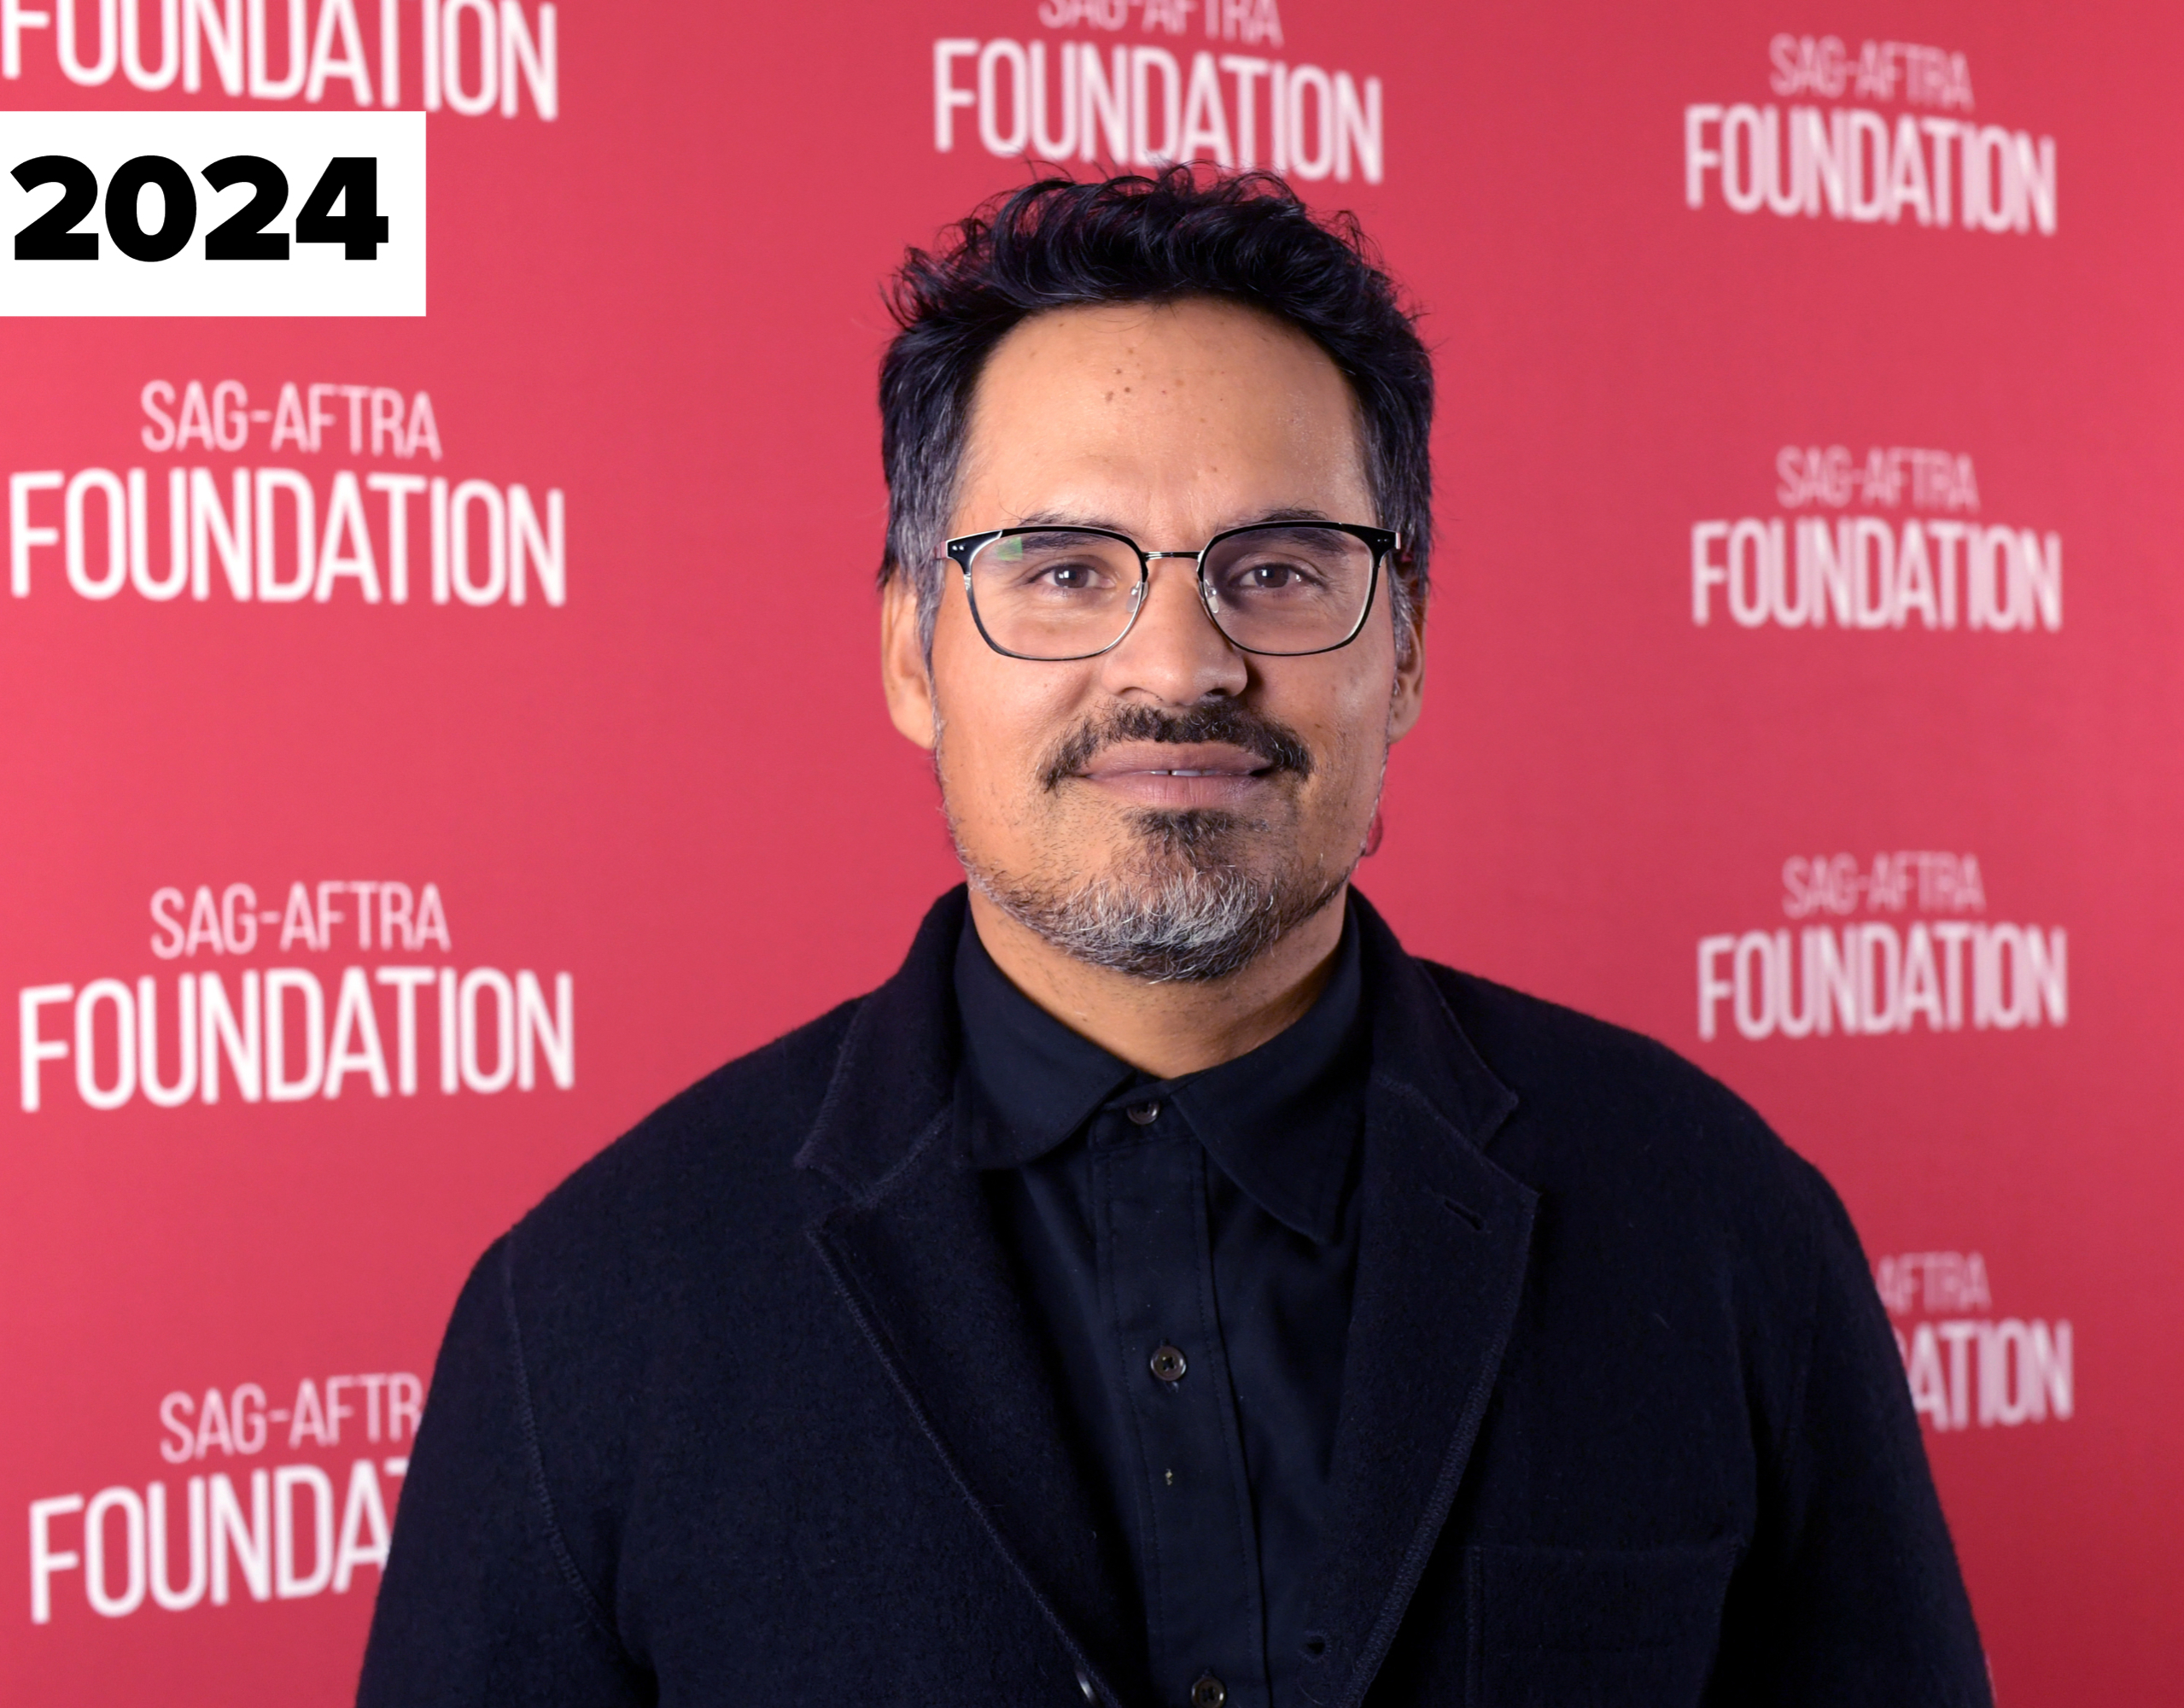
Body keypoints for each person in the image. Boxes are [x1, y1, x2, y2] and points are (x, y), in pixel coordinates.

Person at [357, 169, 1992, 1708]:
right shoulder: (591, 1308)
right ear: (916, 657)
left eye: (1278, 568)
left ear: (1404, 650)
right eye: (1064, 571)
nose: (1181, 665)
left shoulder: (1717, 1225)